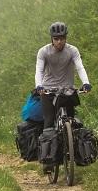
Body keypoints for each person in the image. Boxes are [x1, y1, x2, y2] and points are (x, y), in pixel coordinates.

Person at [34, 21, 91, 170]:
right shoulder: (44, 52)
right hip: (48, 90)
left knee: (72, 122)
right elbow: (39, 70)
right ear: (51, 39)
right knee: (49, 120)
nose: (59, 42)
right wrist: (38, 86)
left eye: (62, 38)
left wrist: (86, 82)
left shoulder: (72, 51)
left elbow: (80, 67)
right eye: (56, 39)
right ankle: (48, 161)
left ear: (66, 38)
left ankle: (74, 153)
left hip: (67, 90)